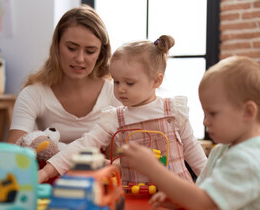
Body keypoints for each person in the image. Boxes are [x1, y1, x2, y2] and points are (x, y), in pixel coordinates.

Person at [120, 56, 260, 210]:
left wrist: (153, 168)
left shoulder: (249, 160)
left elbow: (201, 200)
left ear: (248, 112)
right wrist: (181, 199)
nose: (205, 122)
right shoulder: (221, 150)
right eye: (205, 113)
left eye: (213, 113)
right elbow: (202, 194)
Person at [38, 35, 207, 184]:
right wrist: (46, 171)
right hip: (134, 199)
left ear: (156, 81)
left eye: (129, 83)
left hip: (178, 197)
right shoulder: (115, 118)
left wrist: (213, 188)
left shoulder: (174, 111)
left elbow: (193, 151)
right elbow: (83, 145)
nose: (120, 89)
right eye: (116, 82)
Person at [7, 6, 120, 147]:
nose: (80, 58)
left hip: (102, 168)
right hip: (48, 169)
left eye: (90, 51)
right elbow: (14, 152)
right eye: (71, 48)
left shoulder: (115, 92)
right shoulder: (33, 94)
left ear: (101, 54)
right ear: (57, 45)